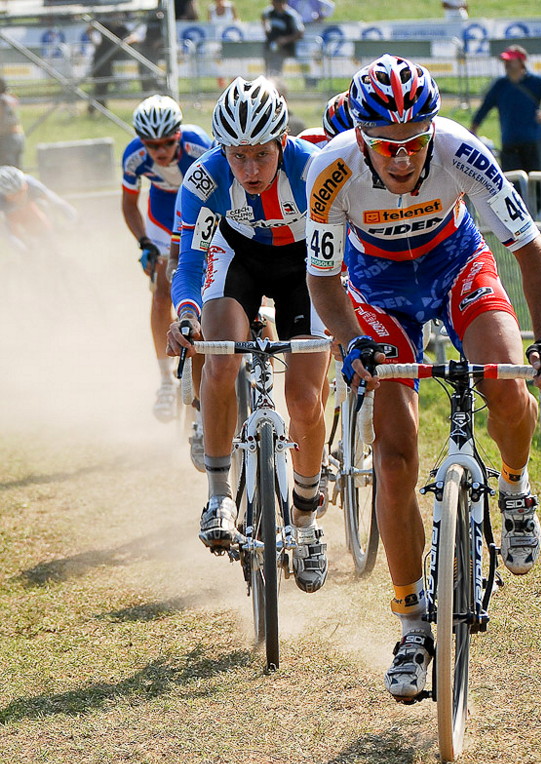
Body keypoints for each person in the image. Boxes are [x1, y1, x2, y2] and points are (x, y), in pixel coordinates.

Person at [305, 54, 541, 703]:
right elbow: (320, 278)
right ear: (362, 136)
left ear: (432, 130)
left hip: (458, 268)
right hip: (376, 291)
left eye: (414, 142)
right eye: (386, 145)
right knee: (393, 460)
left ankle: (514, 489)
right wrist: (351, 342)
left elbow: (531, 252)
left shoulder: (462, 150)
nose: (401, 158)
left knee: (506, 382)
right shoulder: (330, 169)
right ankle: (410, 625)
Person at [166, 77, 330, 594]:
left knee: (304, 398)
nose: (251, 169)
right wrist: (187, 314)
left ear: (284, 141)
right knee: (219, 359)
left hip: (307, 266)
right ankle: (218, 494)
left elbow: (345, 248)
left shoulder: (314, 170)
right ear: (222, 150)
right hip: (238, 262)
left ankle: (305, 521)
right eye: (238, 157)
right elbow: (190, 260)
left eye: (261, 154)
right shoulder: (205, 180)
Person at [121, 95, 214, 423]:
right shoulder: (133, 156)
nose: (159, 152)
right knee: (162, 290)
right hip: (162, 216)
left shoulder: (199, 146)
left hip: (200, 210)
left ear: (178, 136)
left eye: (166, 143)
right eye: (151, 145)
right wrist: (144, 242)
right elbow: (129, 204)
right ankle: (164, 381)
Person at [470, 45, 541, 175]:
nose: (507, 64)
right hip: (510, 140)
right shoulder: (500, 85)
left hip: (534, 140)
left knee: (535, 181)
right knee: (513, 181)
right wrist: (473, 128)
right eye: (505, 61)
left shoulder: (535, 82)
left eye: (511, 61)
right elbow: (485, 107)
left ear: (521, 62)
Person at [0, 165, 77, 254]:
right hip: (7, 212)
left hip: (28, 206)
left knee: (38, 215)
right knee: (10, 226)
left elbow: (56, 201)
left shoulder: (30, 183)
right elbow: (5, 231)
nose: (19, 197)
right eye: (13, 195)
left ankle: (54, 250)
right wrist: (23, 250)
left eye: (21, 192)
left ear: (25, 185)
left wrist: (74, 218)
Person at [86, 15, 130, 112]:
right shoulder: (105, 25)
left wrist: (121, 46)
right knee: (98, 83)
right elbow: (89, 29)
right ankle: (97, 107)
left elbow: (130, 37)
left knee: (105, 83)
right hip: (99, 57)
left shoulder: (122, 29)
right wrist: (94, 41)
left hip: (110, 59)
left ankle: (98, 106)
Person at [261, 0, 305, 77]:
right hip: (271, 45)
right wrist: (266, 28)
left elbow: (300, 33)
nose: (273, 4)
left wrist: (285, 40)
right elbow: (263, 16)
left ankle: (276, 84)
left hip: (285, 48)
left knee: (276, 70)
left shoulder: (291, 15)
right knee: (267, 68)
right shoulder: (270, 12)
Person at [0, 78, 25, 169]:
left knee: (7, 171)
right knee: (17, 170)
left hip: (6, 138)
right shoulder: (10, 98)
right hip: (18, 135)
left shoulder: (2, 99)